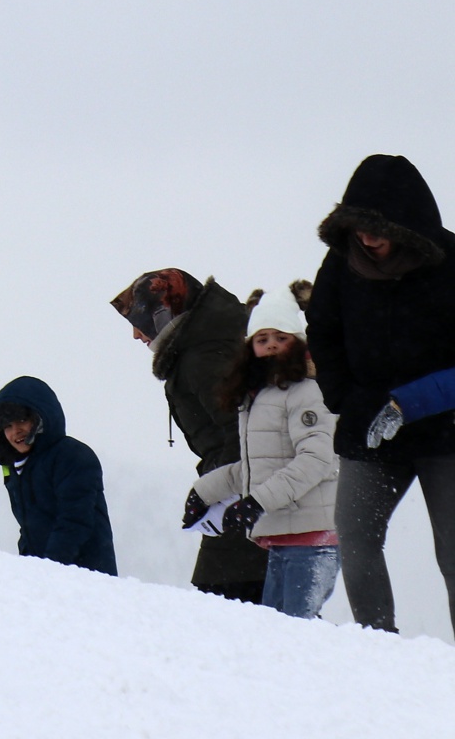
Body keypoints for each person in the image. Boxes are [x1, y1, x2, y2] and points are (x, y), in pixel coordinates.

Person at [307, 154, 455, 633]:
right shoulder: (341, 262)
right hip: (368, 426)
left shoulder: (451, 263)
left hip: (446, 432)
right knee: (355, 537)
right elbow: (323, 332)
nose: (367, 239)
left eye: (378, 228)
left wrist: (403, 405)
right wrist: (347, 402)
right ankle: (378, 648)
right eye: (358, 228)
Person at [111, 269, 268, 602]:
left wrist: (218, 495)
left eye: (139, 321)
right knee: (260, 606)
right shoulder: (202, 346)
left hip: (242, 499)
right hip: (250, 495)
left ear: (163, 313)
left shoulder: (203, 358)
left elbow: (242, 435)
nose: (137, 335)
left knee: (231, 601)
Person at [186, 283, 340, 618]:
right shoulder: (256, 398)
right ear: (250, 347)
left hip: (313, 538)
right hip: (282, 537)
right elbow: (255, 468)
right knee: (278, 632)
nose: (270, 345)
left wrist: (257, 502)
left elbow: (316, 460)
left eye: (280, 337)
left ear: (298, 343)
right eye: (262, 338)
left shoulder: (307, 392)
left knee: (297, 633)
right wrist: (204, 491)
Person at [0, 376, 117, 576]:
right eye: (7, 426)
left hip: (87, 580)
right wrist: (27, 571)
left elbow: (75, 522)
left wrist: (48, 571)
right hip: (48, 580)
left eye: (22, 420)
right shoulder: (17, 467)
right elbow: (29, 529)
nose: (15, 431)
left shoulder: (71, 455)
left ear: (40, 418)